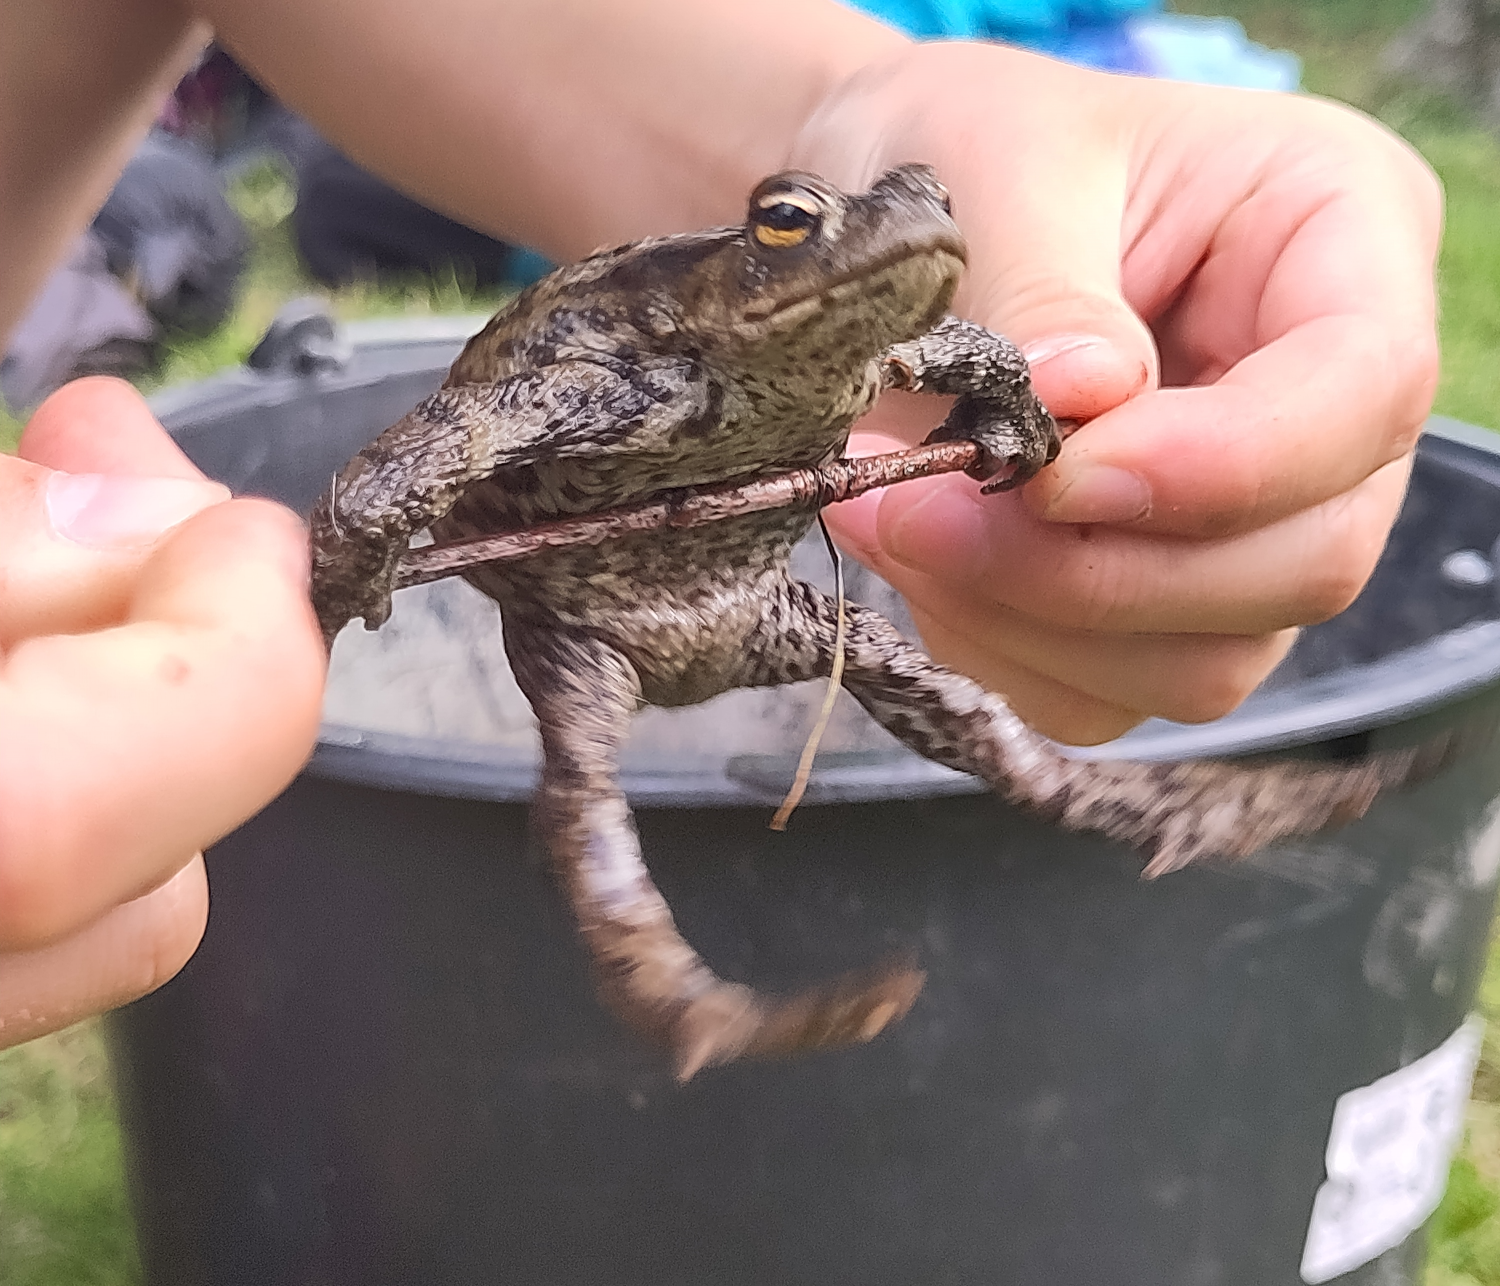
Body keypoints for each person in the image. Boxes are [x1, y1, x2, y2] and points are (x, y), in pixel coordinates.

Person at [0, 0, 1441, 1049]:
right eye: (803, 225)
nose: (895, 247)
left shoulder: (860, 354)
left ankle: (1163, 805)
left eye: (917, 223)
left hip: (749, 590)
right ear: (744, 259)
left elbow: (996, 362)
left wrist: (902, 111)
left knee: (949, 698)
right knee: (592, 798)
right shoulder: (613, 360)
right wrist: (347, 577)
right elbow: (407, 470)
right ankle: (674, 992)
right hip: (587, 604)